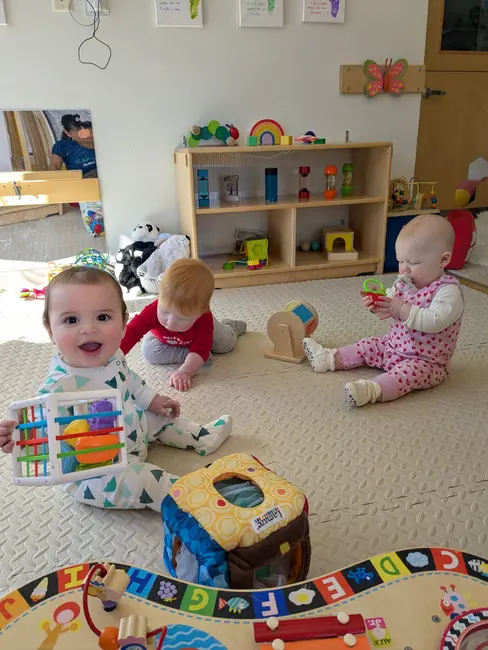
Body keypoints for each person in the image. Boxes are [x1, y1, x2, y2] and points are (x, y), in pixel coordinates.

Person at [0, 267, 232, 511]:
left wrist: (153, 400)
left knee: (162, 417)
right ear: (50, 331)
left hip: (130, 429)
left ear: (124, 325)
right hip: (96, 467)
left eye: (102, 317)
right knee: (141, 481)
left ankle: (201, 435)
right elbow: (43, 434)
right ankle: (182, 495)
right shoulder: (57, 387)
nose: (88, 329)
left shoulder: (114, 355)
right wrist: (18, 438)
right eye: (71, 320)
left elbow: (129, 380)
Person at [303, 214, 464, 407]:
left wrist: (401, 309)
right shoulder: (405, 282)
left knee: (405, 376)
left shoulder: (448, 292)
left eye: (412, 263)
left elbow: (434, 321)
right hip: (393, 345)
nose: (404, 269)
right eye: (400, 261)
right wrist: (378, 305)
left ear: (443, 260)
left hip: (426, 361)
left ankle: (372, 390)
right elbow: (391, 306)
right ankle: (328, 359)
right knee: (367, 345)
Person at [121, 258, 247, 392]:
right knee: (149, 352)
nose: (170, 322)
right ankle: (193, 356)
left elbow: (201, 348)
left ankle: (230, 326)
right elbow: (132, 331)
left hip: (203, 333)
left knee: (225, 343)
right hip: (162, 338)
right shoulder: (152, 310)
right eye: (164, 312)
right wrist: (110, 356)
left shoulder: (203, 318)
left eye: (181, 318)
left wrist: (186, 371)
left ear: (200, 313)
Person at [49, 114, 97, 178]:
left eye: (91, 131)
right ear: (68, 133)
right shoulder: (62, 146)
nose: (89, 135)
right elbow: (54, 168)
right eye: (80, 132)